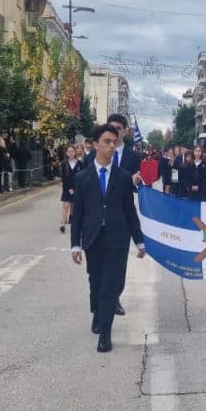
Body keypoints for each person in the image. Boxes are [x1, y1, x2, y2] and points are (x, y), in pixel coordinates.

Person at [71, 124, 146, 353]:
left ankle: (105, 333)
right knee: (96, 283)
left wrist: (139, 241)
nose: (112, 146)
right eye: (106, 141)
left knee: (113, 285)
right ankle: (98, 312)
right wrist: (75, 245)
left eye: (114, 142)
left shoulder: (123, 178)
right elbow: (78, 214)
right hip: (93, 239)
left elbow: (130, 211)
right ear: (95, 145)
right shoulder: (82, 177)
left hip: (117, 238)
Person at [60, 145, 84, 233]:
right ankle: (62, 223)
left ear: (75, 152)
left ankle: (71, 217)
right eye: (69, 152)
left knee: (73, 204)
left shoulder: (79, 163)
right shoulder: (64, 164)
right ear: (66, 153)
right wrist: (69, 188)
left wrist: (76, 188)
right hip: (67, 187)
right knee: (65, 205)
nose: (71, 153)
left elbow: (81, 177)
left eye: (72, 151)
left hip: (76, 187)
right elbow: (63, 178)